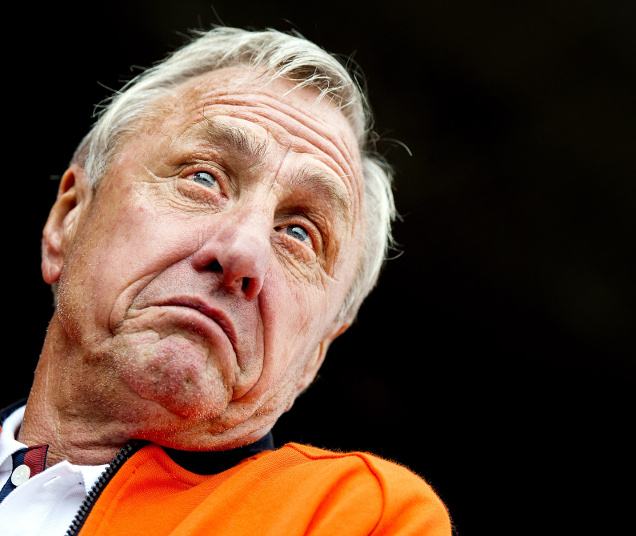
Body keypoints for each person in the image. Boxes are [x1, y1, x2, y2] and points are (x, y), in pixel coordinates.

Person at [0, 27, 451, 535]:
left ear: (315, 354)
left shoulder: (353, 517)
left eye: (300, 234)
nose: (243, 253)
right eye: (204, 177)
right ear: (70, 220)